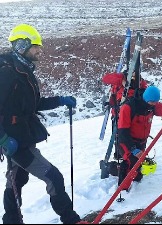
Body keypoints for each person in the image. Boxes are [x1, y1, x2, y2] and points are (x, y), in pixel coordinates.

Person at [0, 24, 83, 224]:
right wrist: (3, 138)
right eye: (36, 46)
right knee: (54, 177)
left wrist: (61, 100)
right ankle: (71, 220)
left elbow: (33, 104)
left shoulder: (23, 70)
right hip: (14, 141)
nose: (40, 50)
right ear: (22, 45)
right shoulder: (7, 73)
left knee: (17, 180)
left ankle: (11, 220)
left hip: (22, 137)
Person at [117, 86, 162, 190]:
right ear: (146, 98)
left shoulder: (152, 106)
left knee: (138, 173)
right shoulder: (128, 107)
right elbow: (123, 132)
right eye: (152, 101)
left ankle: (128, 176)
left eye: (155, 102)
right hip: (127, 141)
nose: (154, 104)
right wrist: (133, 149)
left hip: (141, 141)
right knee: (131, 163)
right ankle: (122, 189)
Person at [102, 71, 148, 159]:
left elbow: (144, 94)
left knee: (133, 136)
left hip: (133, 115)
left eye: (135, 76)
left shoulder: (141, 83)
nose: (133, 78)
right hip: (117, 114)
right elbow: (106, 78)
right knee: (119, 137)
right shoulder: (120, 80)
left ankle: (135, 156)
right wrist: (121, 80)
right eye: (132, 75)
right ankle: (120, 155)